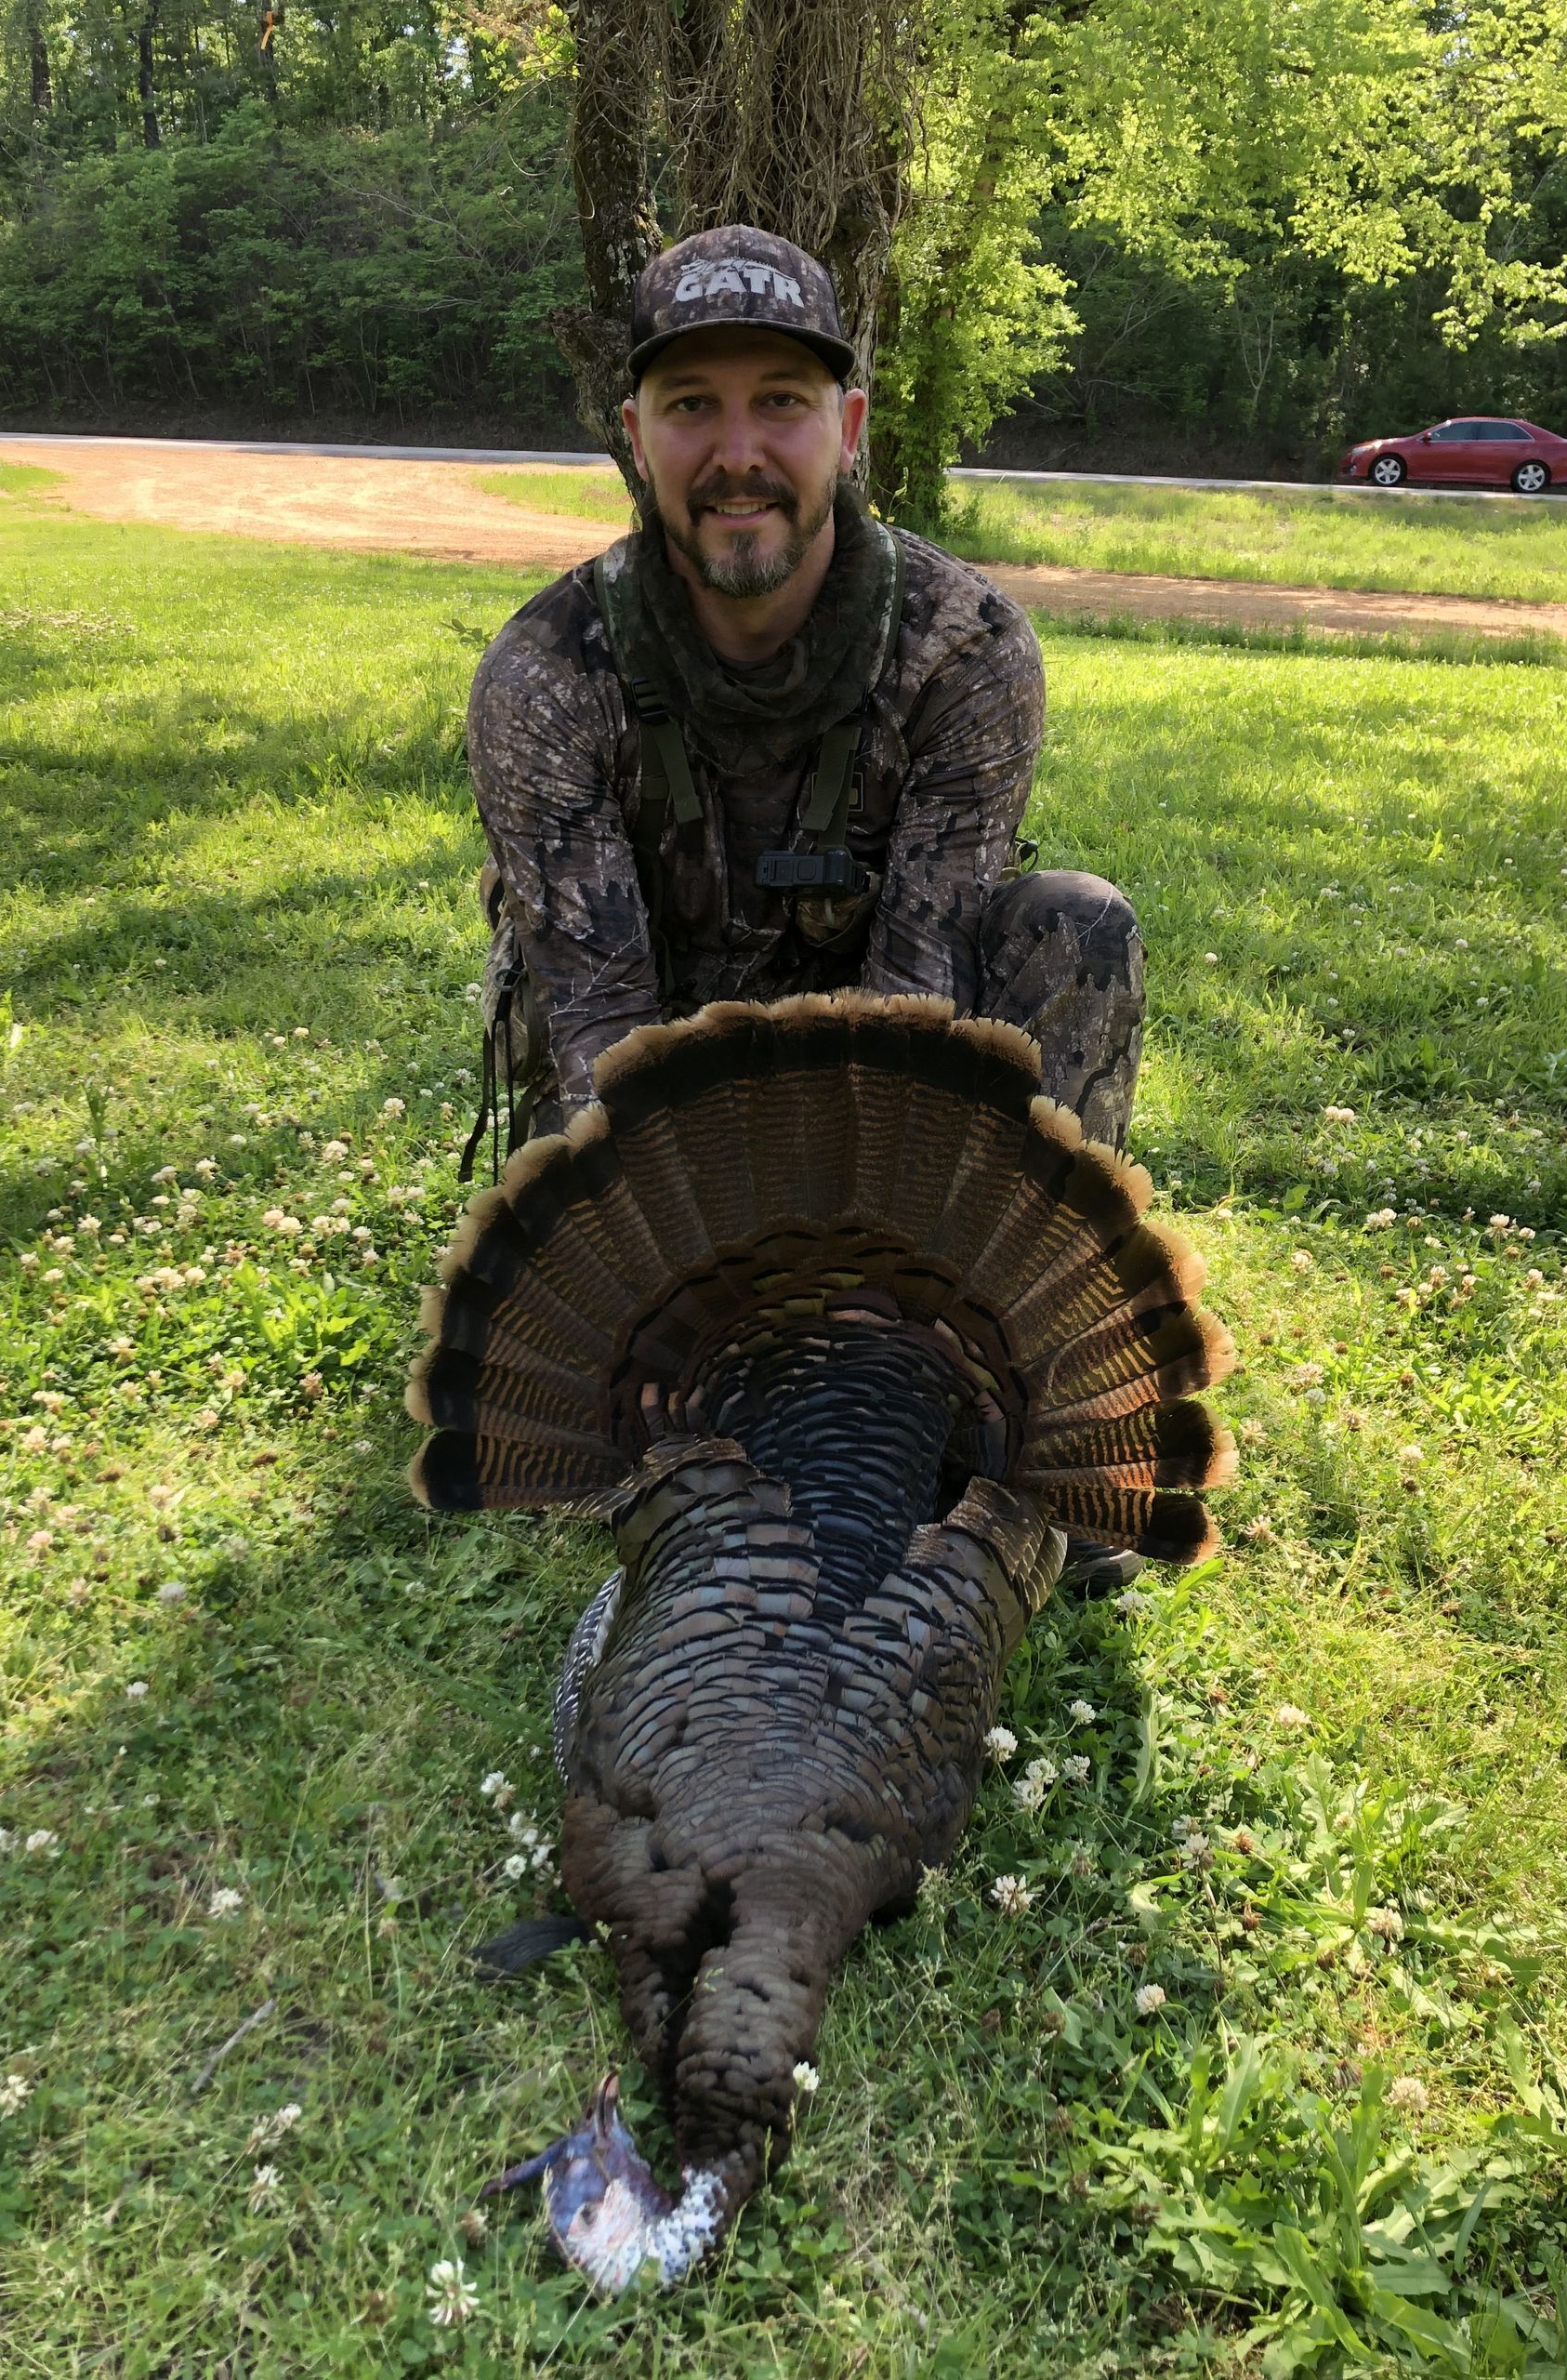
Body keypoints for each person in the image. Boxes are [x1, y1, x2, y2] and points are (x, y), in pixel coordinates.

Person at [465, 224, 1146, 1584]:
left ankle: (1017, 1408)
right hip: (655, 1090)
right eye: (691, 406)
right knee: (636, 1451)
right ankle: (689, 1401)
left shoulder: (965, 646)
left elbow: (916, 1002)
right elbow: (605, 1038)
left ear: (847, 423)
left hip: (881, 1060)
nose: (738, 453)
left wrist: (870, 1340)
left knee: (1075, 926)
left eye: (779, 401)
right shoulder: (548, 674)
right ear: (635, 432)